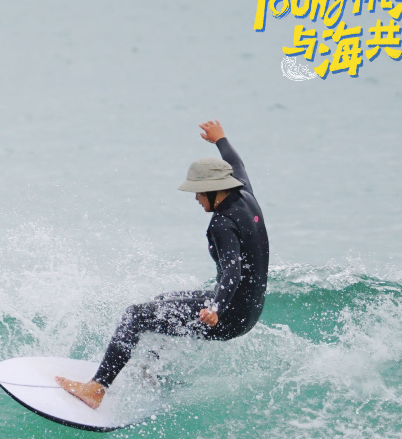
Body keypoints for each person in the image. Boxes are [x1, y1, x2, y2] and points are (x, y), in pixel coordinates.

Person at [56, 120, 269, 408]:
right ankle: (150, 373)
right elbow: (235, 161)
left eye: (198, 191)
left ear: (212, 189)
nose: (195, 198)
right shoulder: (243, 193)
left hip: (228, 314)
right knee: (162, 302)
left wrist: (215, 308)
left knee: (134, 315)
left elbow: (232, 268)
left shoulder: (222, 223)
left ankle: (96, 389)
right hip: (247, 309)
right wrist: (221, 139)